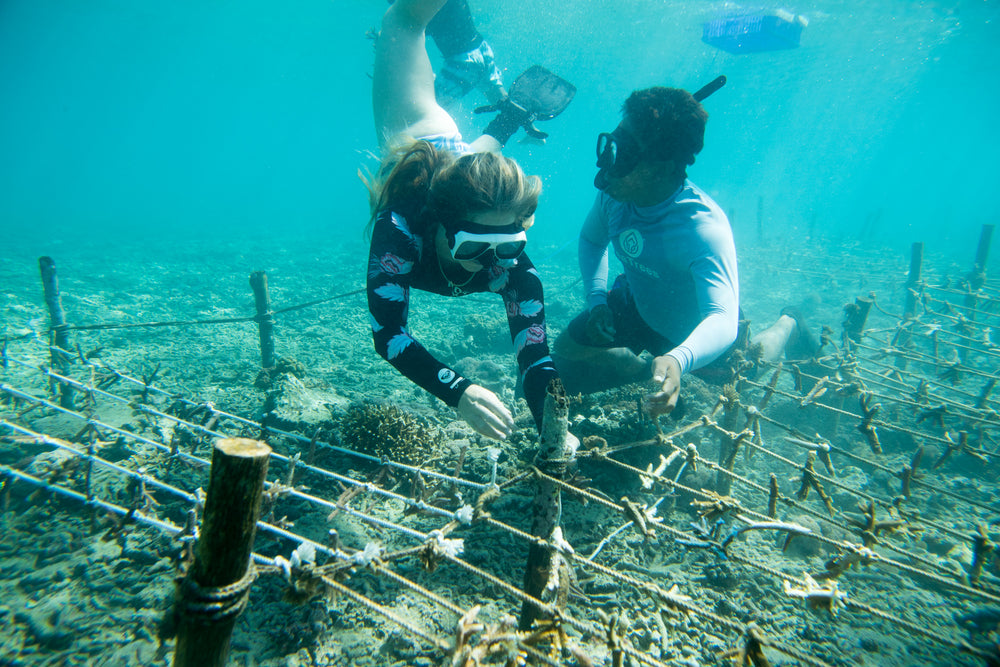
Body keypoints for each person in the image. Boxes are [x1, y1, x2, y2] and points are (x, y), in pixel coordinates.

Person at [366, 0, 568, 441]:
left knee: (477, 163)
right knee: (401, 20)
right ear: (440, 227)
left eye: (509, 245)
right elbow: (389, 333)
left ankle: (510, 113)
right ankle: (502, 104)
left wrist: (556, 427)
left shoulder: (508, 260)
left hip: (465, 178)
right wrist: (459, 391)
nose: (491, 263)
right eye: (473, 247)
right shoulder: (401, 228)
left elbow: (537, 358)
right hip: (421, 132)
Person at [553, 86, 818, 416]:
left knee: (743, 375)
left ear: (659, 169)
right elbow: (592, 240)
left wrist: (680, 358)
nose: (607, 167)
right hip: (639, 303)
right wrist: (597, 301)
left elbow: (721, 319)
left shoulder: (703, 230)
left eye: (622, 155)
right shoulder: (615, 194)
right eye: (612, 146)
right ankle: (646, 370)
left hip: (693, 328)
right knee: (566, 347)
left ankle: (789, 323)